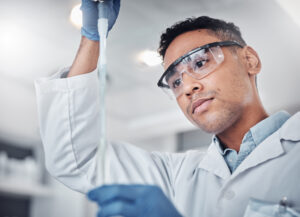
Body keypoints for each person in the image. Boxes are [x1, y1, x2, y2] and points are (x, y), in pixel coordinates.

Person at [34, 0, 300, 217]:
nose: (187, 88)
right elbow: (76, 158)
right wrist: (91, 38)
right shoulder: (176, 174)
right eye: (175, 81)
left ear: (250, 61)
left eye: (200, 63)